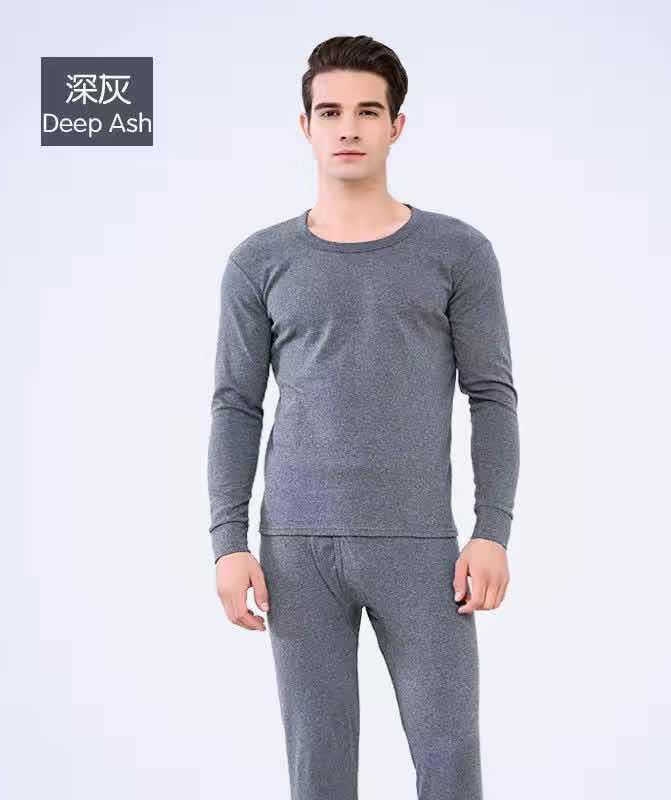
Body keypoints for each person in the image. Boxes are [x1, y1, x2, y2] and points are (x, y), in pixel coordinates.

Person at [207, 34, 520, 800]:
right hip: (295, 551)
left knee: (449, 762)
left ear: (396, 125)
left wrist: (492, 530)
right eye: (331, 111)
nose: (348, 127)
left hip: (421, 549)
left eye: (368, 111)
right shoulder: (259, 262)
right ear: (306, 125)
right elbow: (236, 405)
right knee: (318, 771)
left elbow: (491, 395)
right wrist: (228, 542)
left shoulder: (457, 252)